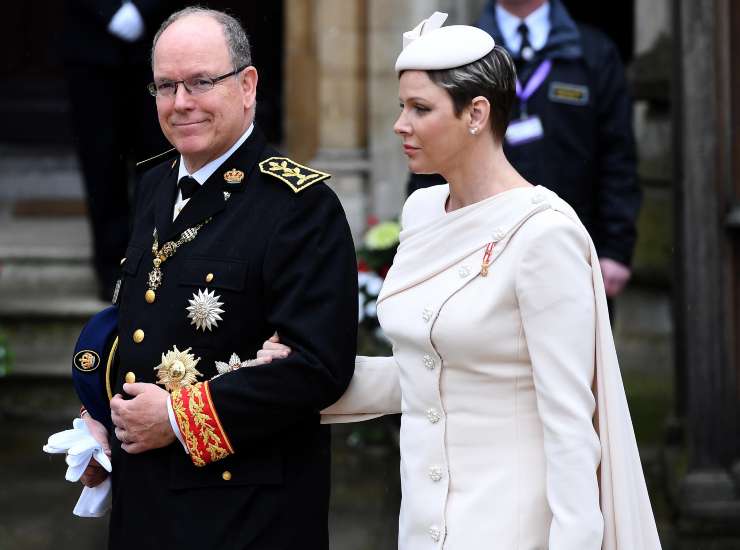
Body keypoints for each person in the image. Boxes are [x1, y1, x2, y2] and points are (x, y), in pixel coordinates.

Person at [261, 12, 661, 550]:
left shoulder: (545, 236)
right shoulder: (423, 209)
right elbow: (427, 372)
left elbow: (572, 430)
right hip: (424, 525)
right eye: (401, 106)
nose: (401, 124)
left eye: (420, 108)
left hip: (514, 526)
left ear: (476, 113)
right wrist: (301, 378)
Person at [75, 7, 358, 549]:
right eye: (166, 86)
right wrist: (101, 421)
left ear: (247, 85)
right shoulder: (156, 184)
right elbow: (143, 329)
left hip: (245, 517)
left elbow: (318, 366)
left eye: (202, 82)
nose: (181, 103)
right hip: (147, 512)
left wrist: (179, 418)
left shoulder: (300, 206)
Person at [476, 0, 640, 300]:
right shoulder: (465, 54)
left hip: (576, 254)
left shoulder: (594, 52)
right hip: (480, 256)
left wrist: (616, 248)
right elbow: (436, 152)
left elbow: (618, 155)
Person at [62, 0, 183, 300]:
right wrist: (106, 7)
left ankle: (160, 263)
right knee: (101, 163)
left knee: (162, 160)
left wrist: (143, 7)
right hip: (91, 44)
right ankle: (111, 271)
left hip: (159, 44)